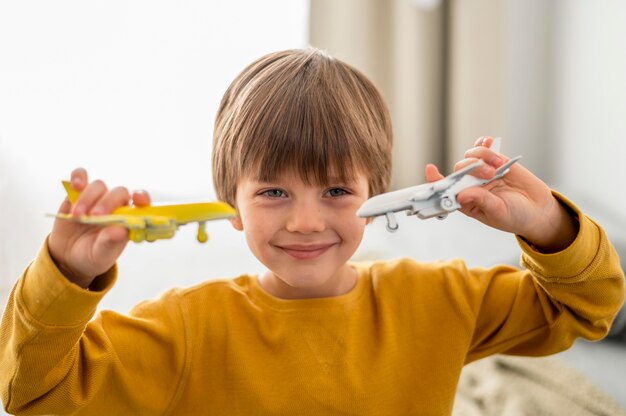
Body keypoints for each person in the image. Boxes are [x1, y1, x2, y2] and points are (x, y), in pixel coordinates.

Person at [0, 48, 624, 415]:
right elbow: (33, 396)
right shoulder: (186, 328)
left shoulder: (440, 301)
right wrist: (66, 273)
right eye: (273, 192)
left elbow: (589, 306)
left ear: (375, 198)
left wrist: (545, 224)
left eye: (335, 191)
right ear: (231, 205)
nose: (304, 221)